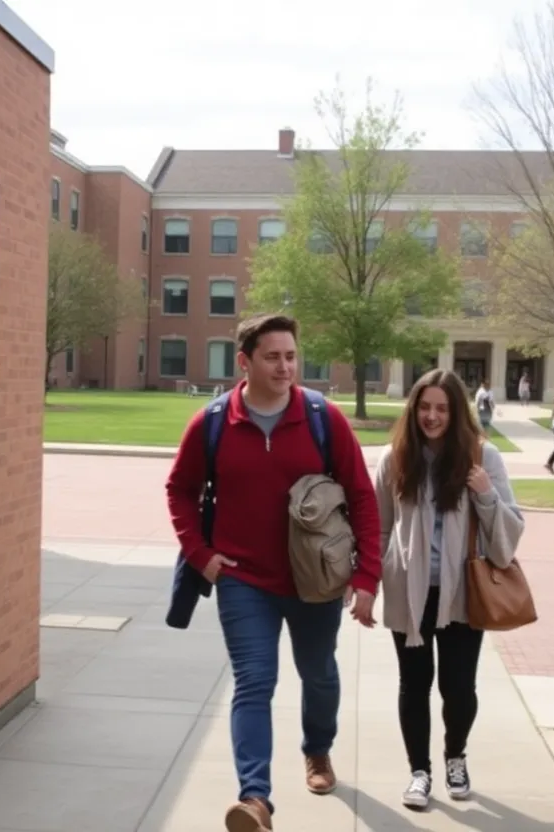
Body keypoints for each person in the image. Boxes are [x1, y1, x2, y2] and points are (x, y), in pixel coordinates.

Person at [165, 313, 382, 832]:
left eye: (291, 356)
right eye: (272, 357)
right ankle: (255, 799)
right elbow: (180, 490)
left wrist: (366, 577)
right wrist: (202, 556)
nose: (285, 367)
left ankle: (318, 749)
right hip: (243, 580)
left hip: (316, 581)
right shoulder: (213, 422)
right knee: (253, 682)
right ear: (245, 362)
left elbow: (361, 497)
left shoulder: (322, 418)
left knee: (319, 675)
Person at [373, 369, 525, 811]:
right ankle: (419, 771)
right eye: (424, 407)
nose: (432, 416)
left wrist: (486, 495)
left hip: (462, 593)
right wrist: (379, 578)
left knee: (459, 689)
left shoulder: (484, 457)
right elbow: (380, 527)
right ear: (413, 409)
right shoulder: (396, 458)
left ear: (457, 411)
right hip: (410, 592)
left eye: (442, 408)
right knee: (413, 685)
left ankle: (455, 755)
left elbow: (511, 532)